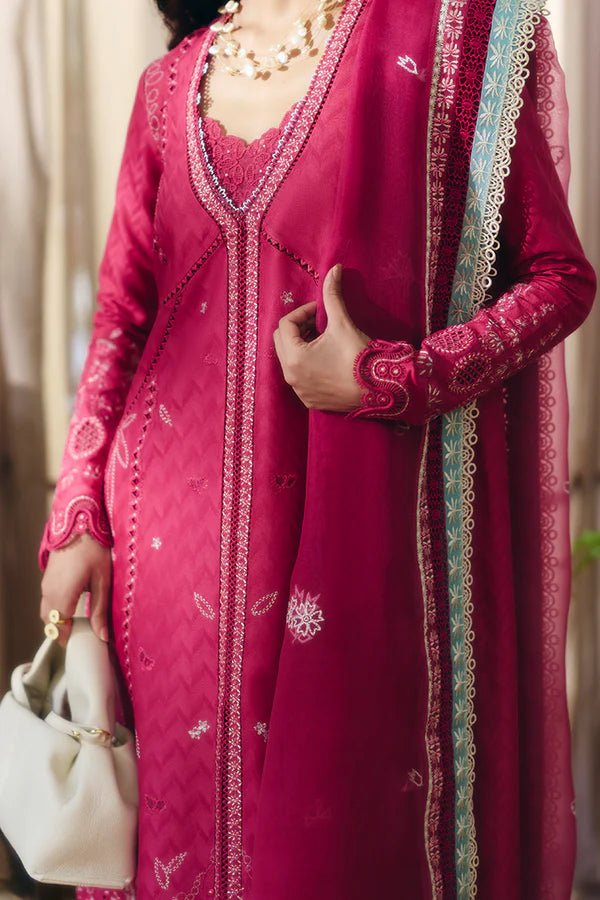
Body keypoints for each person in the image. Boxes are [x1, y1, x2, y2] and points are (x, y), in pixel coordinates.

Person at [38, 0, 597, 897]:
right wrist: (76, 516)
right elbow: (121, 320)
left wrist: (393, 377)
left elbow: (559, 278)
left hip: (346, 555)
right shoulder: (168, 85)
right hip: (162, 559)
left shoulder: (448, 41)